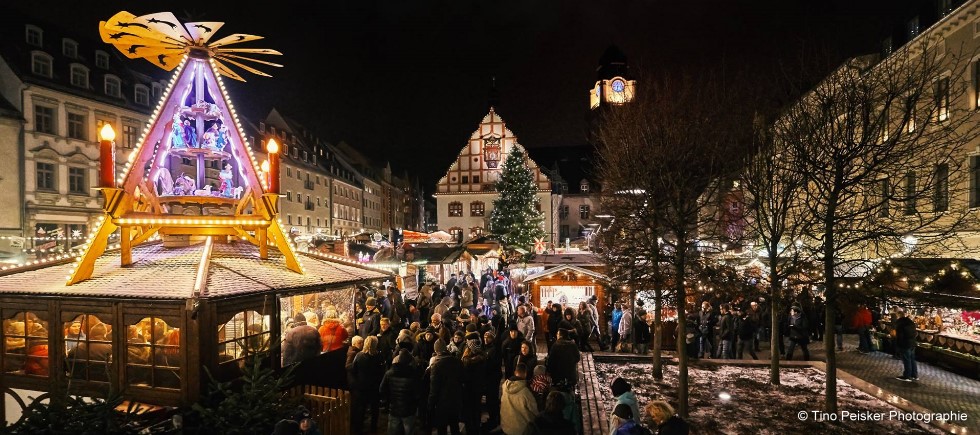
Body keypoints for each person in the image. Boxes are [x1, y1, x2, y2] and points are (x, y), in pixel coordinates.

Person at [425, 339, 464, 435]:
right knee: (454, 425)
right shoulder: (457, 361)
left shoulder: (436, 366)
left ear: (436, 351)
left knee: (442, 428)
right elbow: (463, 378)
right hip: (456, 399)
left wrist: (430, 404)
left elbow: (434, 388)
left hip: (442, 402)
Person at [349, 335, 384, 434]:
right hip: (374, 387)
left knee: (361, 409)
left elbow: (353, 369)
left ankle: (358, 429)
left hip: (362, 387)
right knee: (374, 409)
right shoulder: (378, 356)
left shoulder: (359, 355)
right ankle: (373, 428)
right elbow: (381, 372)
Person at [380, 349, 420, 435]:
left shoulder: (389, 373)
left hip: (394, 408)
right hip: (409, 409)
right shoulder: (413, 374)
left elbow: (382, 389)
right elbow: (417, 393)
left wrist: (388, 400)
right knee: (409, 431)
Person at [500, 362, 538, 435]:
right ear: (525, 373)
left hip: (506, 426)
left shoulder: (504, 386)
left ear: (515, 372)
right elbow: (534, 411)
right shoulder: (525, 391)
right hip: (522, 430)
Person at [894, 307, 918, 381]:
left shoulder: (900, 324)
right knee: (912, 359)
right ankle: (914, 375)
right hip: (912, 343)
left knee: (906, 360)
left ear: (898, 315)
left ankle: (907, 376)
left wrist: (898, 343)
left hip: (905, 343)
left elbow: (900, 335)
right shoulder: (910, 322)